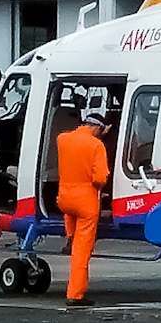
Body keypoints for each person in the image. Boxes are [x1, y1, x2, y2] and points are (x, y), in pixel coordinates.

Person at [54, 112, 109, 306]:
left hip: (64, 199)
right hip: (85, 202)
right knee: (81, 252)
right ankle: (75, 295)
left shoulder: (63, 139)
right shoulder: (96, 145)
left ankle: (69, 236)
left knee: (70, 213)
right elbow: (100, 178)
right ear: (97, 128)